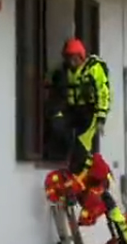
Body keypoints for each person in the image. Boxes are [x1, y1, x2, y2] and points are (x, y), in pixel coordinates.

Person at [47, 38, 111, 186]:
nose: (72, 62)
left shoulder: (94, 69)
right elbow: (57, 91)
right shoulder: (64, 71)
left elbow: (103, 92)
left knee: (82, 142)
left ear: (81, 56)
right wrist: (56, 112)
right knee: (59, 127)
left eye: (75, 58)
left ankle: (84, 173)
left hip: (90, 110)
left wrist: (101, 117)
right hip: (73, 109)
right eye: (69, 59)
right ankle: (64, 160)